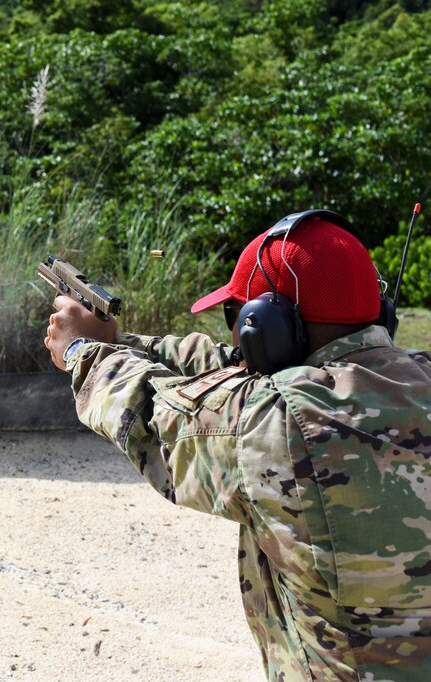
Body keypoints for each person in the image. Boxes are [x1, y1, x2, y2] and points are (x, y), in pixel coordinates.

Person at [43, 210, 431, 680]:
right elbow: (227, 370)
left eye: (237, 315)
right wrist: (118, 339)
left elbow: (149, 414)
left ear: (267, 328)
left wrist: (81, 351)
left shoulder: (280, 425)